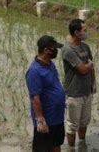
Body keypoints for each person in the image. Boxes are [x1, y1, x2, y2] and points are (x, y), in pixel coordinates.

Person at [25, 36, 65, 152]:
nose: (56, 51)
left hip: (57, 116)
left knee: (56, 144)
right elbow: (35, 98)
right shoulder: (34, 71)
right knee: (42, 149)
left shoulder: (50, 64)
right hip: (47, 118)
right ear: (46, 50)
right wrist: (40, 120)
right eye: (54, 48)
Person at [61, 19, 95, 148]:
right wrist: (89, 65)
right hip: (74, 93)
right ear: (76, 32)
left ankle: (82, 143)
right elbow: (82, 69)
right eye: (84, 30)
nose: (86, 33)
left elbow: (91, 66)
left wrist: (93, 82)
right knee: (72, 124)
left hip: (87, 90)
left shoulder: (85, 46)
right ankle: (71, 148)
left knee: (85, 121)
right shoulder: (68, 50)